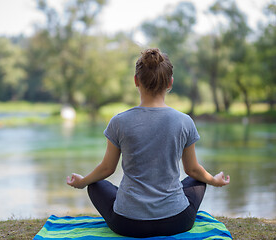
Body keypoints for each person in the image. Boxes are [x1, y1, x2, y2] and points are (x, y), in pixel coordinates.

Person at [66, 48, 230, 238]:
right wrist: (214, 180)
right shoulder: (184, 121)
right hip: (177, 221)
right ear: (170, 83)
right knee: (198, 179)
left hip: (127, 224)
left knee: (95, 184)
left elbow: (106, 169)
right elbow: (192, 170)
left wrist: (82, 181)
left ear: (136, 80)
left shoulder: (119, 121)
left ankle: (130, 201)